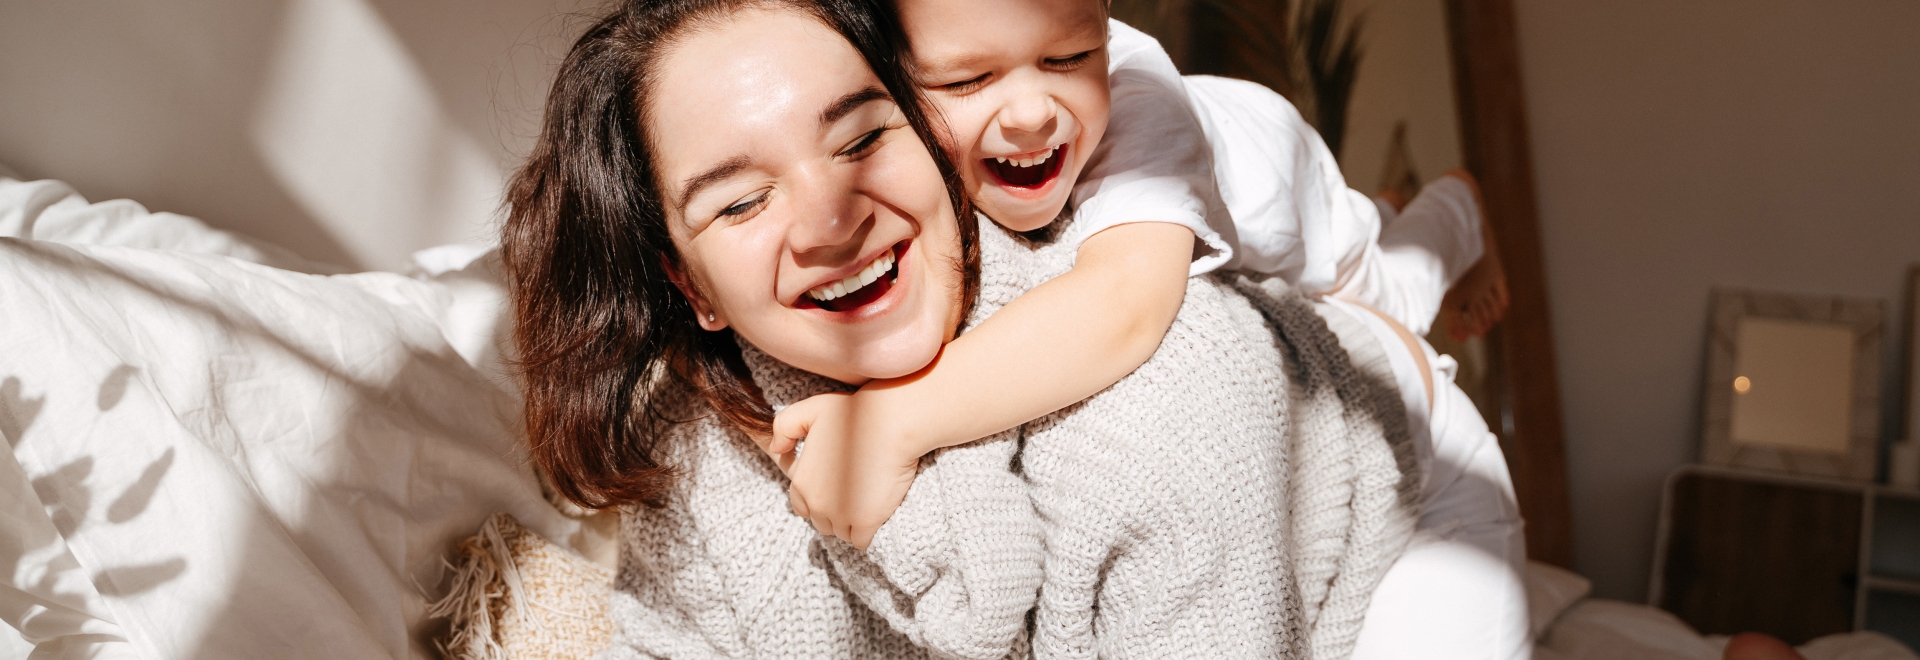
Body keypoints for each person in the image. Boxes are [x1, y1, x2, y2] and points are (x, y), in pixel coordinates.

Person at [503, 0, 1420, 656]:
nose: (832, 220)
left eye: (863, 140)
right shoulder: (696, 461)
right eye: (742, 202)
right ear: (690, 286)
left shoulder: (1169, 395)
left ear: (935, 139)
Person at [763, 2, 1532, 657]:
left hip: (1284, 193)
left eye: (1070, 56)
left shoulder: (1139, 101)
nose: (1032, 111)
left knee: (1383, 284)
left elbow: (1125, 306)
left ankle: (1457, 209)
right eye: (968, 79)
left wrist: (893, 421)